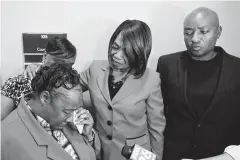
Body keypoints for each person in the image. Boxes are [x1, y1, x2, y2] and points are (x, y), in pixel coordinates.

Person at [24, 20, 166, 160]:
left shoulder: (151, 80)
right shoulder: (96, 69)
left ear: (139, 54)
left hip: (135, 153)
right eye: (115, 46)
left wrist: (156, 158)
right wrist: (40, 69)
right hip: (101, 150)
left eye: (127, 53)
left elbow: (156, 129)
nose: (117, 55)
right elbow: (62, 83)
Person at [157, 7, 240, 160]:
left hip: (220, 155)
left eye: (203, 31)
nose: (194, 38)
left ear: (218, 32)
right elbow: (157, 114)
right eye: (188, 32)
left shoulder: (237, 69)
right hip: (174, 155)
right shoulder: (166, 64)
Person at [1, 62, 101, 160]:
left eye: (76, 109)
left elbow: (90, 154)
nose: (72, 118)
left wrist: (88, 137)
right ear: (45, 98)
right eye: (67, 112)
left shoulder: (70, 115)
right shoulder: (6, 137)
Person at [1, 36, 77, 120]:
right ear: (44, 56)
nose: (64, 70)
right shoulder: (17, 83)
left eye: (69, 65)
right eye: (58, 63)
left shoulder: (68, 85)